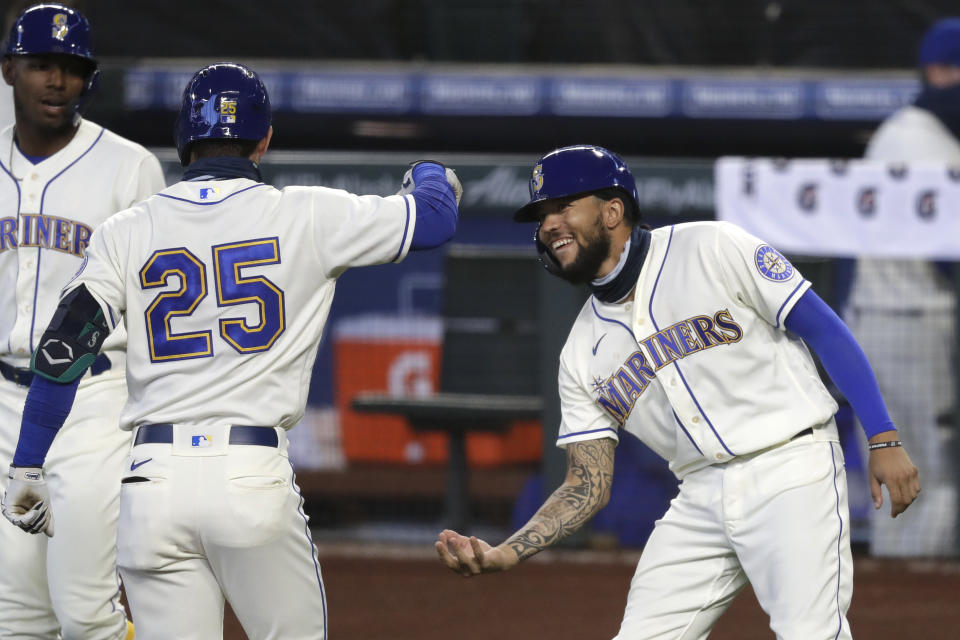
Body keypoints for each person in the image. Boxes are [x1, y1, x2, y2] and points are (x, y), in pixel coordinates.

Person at [1, 61, 461, 640]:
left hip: (151, 483)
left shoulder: (125, 230)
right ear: (264, 141)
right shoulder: (308, 213)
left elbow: (63, 347)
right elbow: (435, 221)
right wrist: (430, 172)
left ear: (182, 140)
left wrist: (29, 461)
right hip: (249, 473)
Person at [435, 145, 920, 638]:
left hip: (791, 468)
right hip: (700, 495)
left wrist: (882, 436)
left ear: (612, 211)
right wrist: (506, 551)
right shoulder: (580, 353)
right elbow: (587, 484)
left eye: (562, 206)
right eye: (541, 216)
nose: (548, 225)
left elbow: (825, 329)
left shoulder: (711, 246)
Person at [0, 4, 165, 638]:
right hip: (7, 399)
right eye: (40, 64)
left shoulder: (129, 168)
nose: (55, 81)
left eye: (70, 68)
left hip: (93, 402)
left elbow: (153, 309)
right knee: (15, 614)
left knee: (85, 608)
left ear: (87, 79)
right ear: (10, 69)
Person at [844, 17, 960, 557]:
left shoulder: (905, 130)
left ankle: (891, 587)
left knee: (894, 465)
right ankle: (916, 589)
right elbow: (945, 257)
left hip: (882, 317)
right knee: (929, 469)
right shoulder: (922, 141)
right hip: (911, 320)